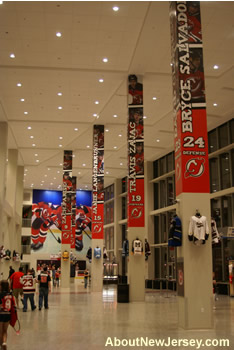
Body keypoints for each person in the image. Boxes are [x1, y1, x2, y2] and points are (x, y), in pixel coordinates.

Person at [0, 280, 16, 350]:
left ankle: (1, 345)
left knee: (0, 331)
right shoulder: (10, 295)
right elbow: (13, 305)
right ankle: (4, 342)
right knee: (5, 331)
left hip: (0, 314)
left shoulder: (0, 295)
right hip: (8, 314)